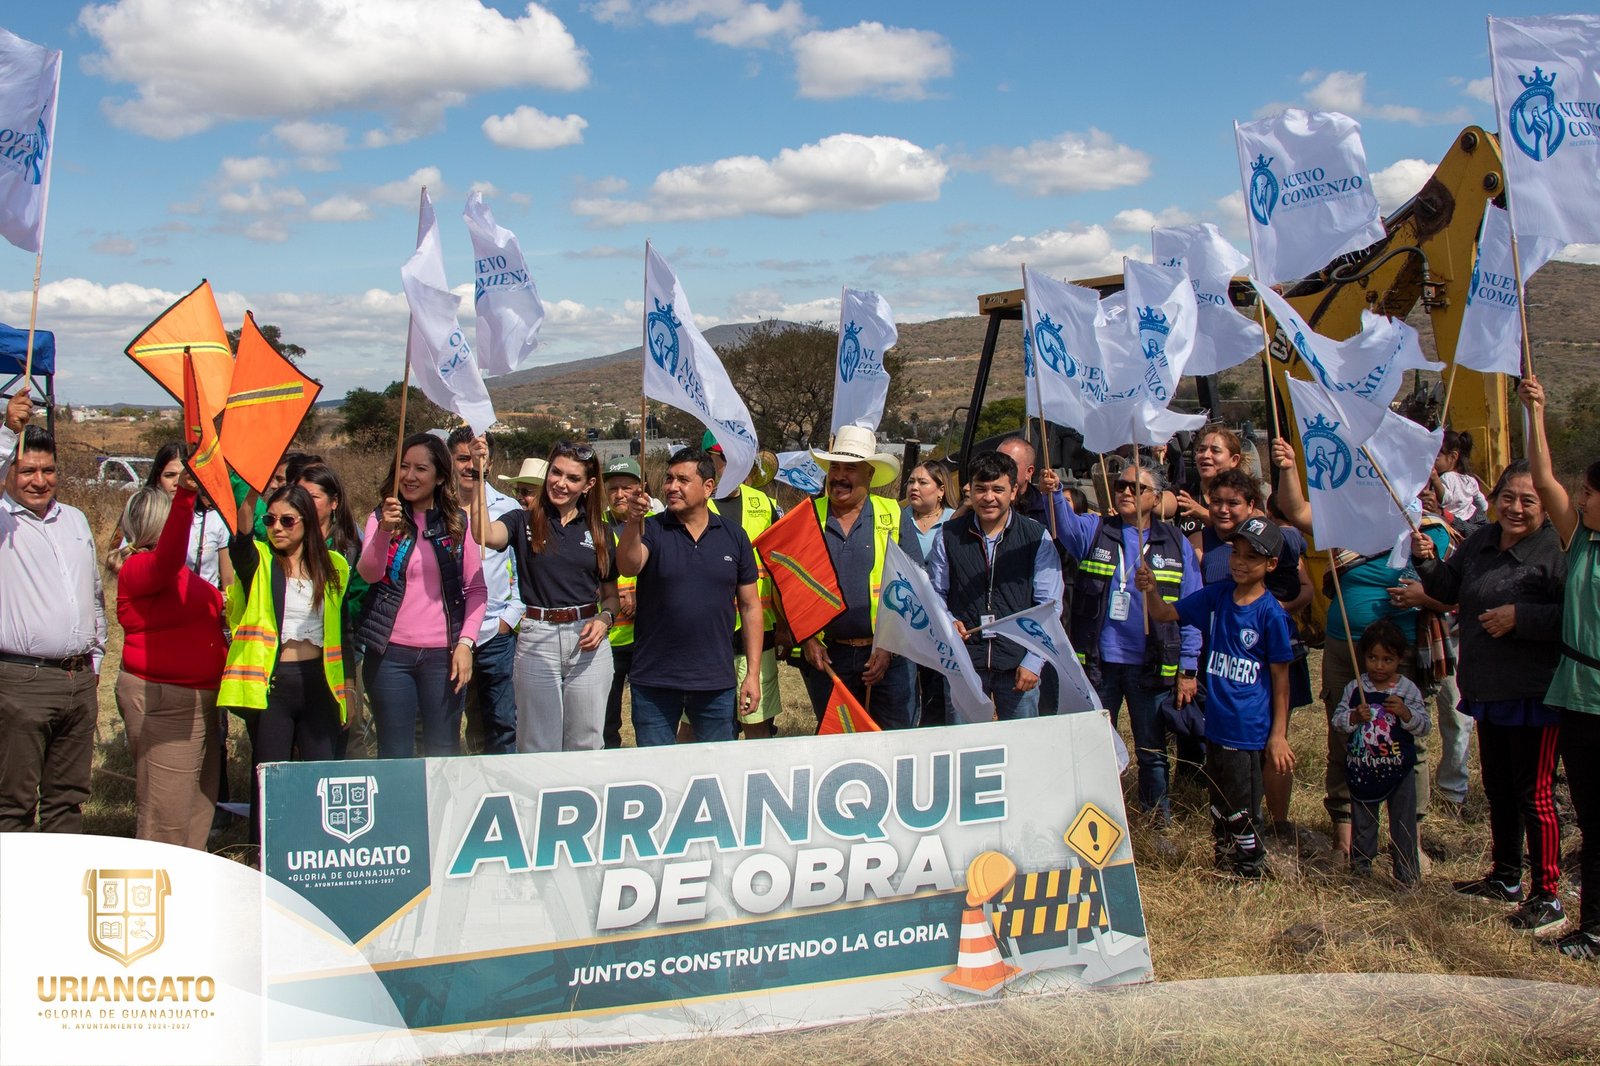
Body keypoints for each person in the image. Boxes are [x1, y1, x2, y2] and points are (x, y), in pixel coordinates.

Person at [1272, 435, 1451, 854]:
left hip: (1398, 654)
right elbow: (1296, 510)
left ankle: (1410, 839)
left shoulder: (1428, 532)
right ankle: (1345, 833)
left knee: (1406, 739)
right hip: (1343, 649)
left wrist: (1423, 596)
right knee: (1345, 734)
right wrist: (1286, 467)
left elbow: (1451, 591)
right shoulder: (1351, 522)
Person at [1409, 459, 1567, 928]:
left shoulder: (1556, 551)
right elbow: (1447, 587)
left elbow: (1574, 617)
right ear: (1492, 498)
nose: (1516, 508)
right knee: (1498, 787)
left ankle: (1548, 894)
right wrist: (1426, 559)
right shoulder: (1481, 540)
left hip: (1534, 693)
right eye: (1508, 498)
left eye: (1528, 500)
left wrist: (1522, 616)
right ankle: (1505, 876)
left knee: (1534, 793)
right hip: (1488, 689)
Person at [1138, 515, 1295, 877]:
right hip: (1217, 726)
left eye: (1251, 557)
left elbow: (1281, 681)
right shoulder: (1217, 594)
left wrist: (1278, 735)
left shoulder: (1271, 614)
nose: (1240, 562)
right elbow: (1164, 612)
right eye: (1236, 553)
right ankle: (1223, 862)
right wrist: (1150, 588)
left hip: (1249, 730)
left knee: (1243, 806)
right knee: (1220, 804)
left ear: (1271, 565)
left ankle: (1250, 870)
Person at [1055, 457, 1202, 823]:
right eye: (1121, 485)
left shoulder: (1175, 542)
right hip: (1100, 662)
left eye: (1137, 488)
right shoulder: (1096, 530)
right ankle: (1091, 815)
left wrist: (1188, 666)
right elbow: (1065, 528)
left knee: (1151, 748)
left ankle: (1156, 820)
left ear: (1156, 498)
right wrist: (1055, 494)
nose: (1125, 492)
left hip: (1149, 664)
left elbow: (1192, 607)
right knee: (1092, 747)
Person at [222, 484, 350, 849]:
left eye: (287, 520)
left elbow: (345, 632)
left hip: (319, 686)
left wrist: (350, 691)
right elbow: (241, 541)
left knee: (319, 778)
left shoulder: (335, 566)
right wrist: (248, 500)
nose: (277, 527)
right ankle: (263, 857)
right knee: (270, 779)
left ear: (307, 523)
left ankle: (314, 854)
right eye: (271, 519)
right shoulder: (260, 560)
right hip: (274, 686)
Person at [1520, 375, 1600, 961]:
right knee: (1593, 820)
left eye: (1591, 492)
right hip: (1576, 695)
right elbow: (1544, 480)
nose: (1582, 497)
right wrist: (1537, 413)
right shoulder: (1582, 543)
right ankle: (1592, 926)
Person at [0, 393, 106, 834]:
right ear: (9, 473)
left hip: (77, 680)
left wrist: (96, 655)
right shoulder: (3, 522)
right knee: (13, 803)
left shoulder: (76, 520)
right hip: (22, 682)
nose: (39, 481)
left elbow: (93, 592)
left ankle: (59, 891)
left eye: (48, 470)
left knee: (67, 801)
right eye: (27, 470)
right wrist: (8, 431)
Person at [472, 439, 617, 753]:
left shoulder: (600, 531)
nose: (561, 483)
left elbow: (611, 597)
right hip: (537, 636)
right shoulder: (522, 519)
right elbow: (484, 534)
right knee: (538, 744)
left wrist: (605, 620)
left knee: (586, 743)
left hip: (587, 639)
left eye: (573, 478)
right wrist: (478, 476)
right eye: (556, 473)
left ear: (588, 485)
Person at [108, 480, 227, 849]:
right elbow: (170, 555)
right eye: (180, 521)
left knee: (197, 807)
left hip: (200, 700)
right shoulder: (141, 568)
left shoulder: (178, 575)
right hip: (165, 703)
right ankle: (160, 893)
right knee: (166, 816)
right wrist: (186, 498)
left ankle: (191, 883)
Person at [616, 449, 761, 745]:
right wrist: (633, 522)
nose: (672, 486)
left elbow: (750, 607)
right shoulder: (652, 529)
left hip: (715, 682)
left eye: (683, 479)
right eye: (669, 479)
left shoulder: (734, 536)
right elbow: (628, 565)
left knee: (716, 770)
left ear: (708, 487)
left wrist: (753, 674)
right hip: (654, 681)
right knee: (656, 773)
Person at [355, 433, 487, 758]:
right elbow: (369, 573)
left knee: (443, 751)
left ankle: (442, 810)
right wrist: (385, 530)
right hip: (390, 657)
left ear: (440, 476)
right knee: (395, 752)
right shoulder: (380, 518)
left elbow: (476, 589)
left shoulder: (458, 522)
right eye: (403, 467)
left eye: (420, 469)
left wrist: (466, 644)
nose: (409, 476)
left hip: (443, 659)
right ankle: (400, 809)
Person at [1199, 468, 1314, 830]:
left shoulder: (1277, 540)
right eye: (1216, 502)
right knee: (1234, 752)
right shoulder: (1206, 545)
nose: (1223, 510)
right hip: (1227, 662)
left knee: (1274, 744)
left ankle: (1278, 826)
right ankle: (1243, 823)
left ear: (1251, 506)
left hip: (1269, 654)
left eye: (1233, 503)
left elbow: (1305, 588)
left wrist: (1276, 612)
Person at [926, 450, 1062, 719]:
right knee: (963, 749)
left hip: (1018, 665)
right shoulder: (948, 536)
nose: (989, 497)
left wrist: (1034, 661)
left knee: (1022, 748)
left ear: (1013, 492)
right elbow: (935, 593)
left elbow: (1048, 607)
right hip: (964, 664)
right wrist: (949, 621)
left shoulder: (1036, 537)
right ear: (971, 491)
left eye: (998, 489)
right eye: (981, 489)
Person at [799, 426, 913, 728]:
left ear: (870, 475)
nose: (839, 476)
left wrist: (887, 647)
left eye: (850, 468)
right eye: (834, 467)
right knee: (836, 743)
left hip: (887, 655)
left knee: (890, 740)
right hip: (828, 656)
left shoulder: (895, 515)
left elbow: (914, 588)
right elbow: (790, 586)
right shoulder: (807, 515)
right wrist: (808, 640)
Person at [1332, 620, 1430, 885]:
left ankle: (1407, 877)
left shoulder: (1407, 690)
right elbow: (1337, 721)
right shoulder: (1355, 688)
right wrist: (1353, 716)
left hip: (1399, 770)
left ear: (1399, 659)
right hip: (1363, 768)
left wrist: (1405, 713)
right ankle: (1360, 874)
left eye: (1387, 659)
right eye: (1372, 658)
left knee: (1403, 823)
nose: (1379, 666)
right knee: (1363, 823)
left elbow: (1424, 727)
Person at [707, 435, 787, 740]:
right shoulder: (694, 501)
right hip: (708, 634)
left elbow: (782, 569)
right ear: (709, 459)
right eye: (723, 457)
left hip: (756, 633)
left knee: (757, 722)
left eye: (738, 457)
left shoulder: (767, 504)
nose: (731, 464)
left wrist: (784, 624)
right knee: (706, 727)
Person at [450, 429, 524, 755]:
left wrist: (510, 618)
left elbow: (522, 571)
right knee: (454, 719)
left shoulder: (508, 507)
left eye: (478, 459)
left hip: (496, 633)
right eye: (463, 458)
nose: (470, 466)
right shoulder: (436, 508)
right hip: (449, 634)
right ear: (450, 461)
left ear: (489, 462)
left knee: (504, 721)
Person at [902, 462, 954, 726]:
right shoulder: (898, 519)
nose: (914, 487)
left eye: (923, 482)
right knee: (907, 687)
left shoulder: (955, 521)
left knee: (938, 685)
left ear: (941, 490)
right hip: (907, 617)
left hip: (942, 618)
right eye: (911, 481)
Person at [143, 441, 233, 590]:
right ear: (158, 479)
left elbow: (229, 581)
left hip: (203, 608)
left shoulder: (215, 519)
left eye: (186, 475)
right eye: (170, 475)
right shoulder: (144, 516)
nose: (178, 482)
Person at [601, 457, 645, 749]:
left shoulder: (655, 524)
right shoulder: (594, 525)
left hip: (646, 638)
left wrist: (642, 596)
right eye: (613, 488)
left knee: (647, 716)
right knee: (606, 718)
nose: (619, 495)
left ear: (641, 489)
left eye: (627, 488)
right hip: (607, 639)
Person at [1177, 427, 1252, 549]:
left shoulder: (1248, 494)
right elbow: (1162, 502)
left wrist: (1201, 512)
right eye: (1201, 450)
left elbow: (1252, 531)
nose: (1205, 455)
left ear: (1234, 460)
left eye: (1215, 451)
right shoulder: (1183, 491)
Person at [1432, 430, 1488, 528]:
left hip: (1452, 522)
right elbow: (1483, 504)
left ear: (1453, 456)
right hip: (1469, 519)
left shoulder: (1446, 478)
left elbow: (1446, 499)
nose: (1432, 460)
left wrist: (1435, 479)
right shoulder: (1470, 480)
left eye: (1437, 456)